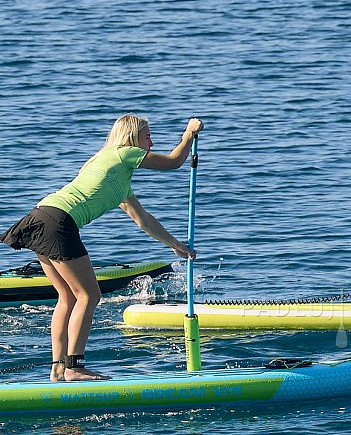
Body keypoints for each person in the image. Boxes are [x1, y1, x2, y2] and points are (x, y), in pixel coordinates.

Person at [1, 114, 203, 381]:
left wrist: (174, 244)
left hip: (41, 217)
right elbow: (175, 161)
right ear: (132, 137)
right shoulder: (122, 153)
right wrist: (189, 133)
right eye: (147, 136)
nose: (151, 143)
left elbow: (144, 220)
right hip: (59, 222)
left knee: (68, 296)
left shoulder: (117, 177)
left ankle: (59, 367)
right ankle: (74, 367)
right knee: (89, 295)